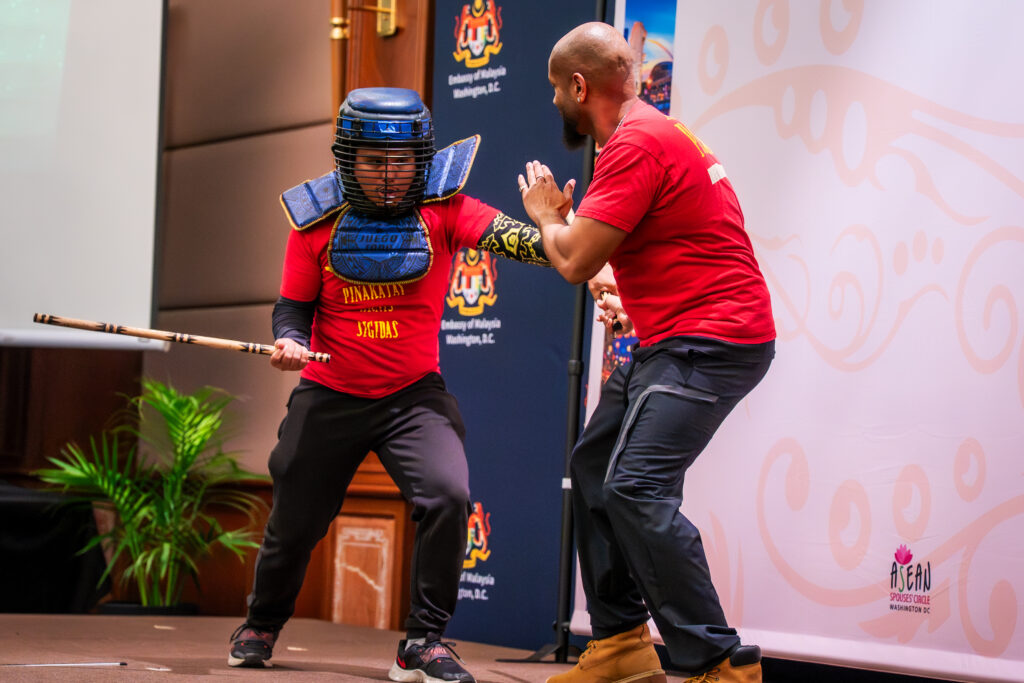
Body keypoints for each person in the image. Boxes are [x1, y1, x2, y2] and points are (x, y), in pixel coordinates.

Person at [227, 87, 549, 682]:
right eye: (375, 161)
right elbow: (292, 308)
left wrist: (555, 230)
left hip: (412, 395)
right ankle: (261, 624)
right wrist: (292, 340)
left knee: (448, 497)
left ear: (420, 160)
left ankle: (424, 642)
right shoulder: (315, 224)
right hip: (330, 392)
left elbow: (527, 245)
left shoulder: (446, 210)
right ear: (348, 159)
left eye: (401, 162)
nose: (390, 175)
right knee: (295, 518)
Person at [517, 22, 776, 683]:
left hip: (712, 341)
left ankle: (720, 659)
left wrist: (547, 216)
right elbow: (633, 250)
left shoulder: (635, 143)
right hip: (676, 334)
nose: (553, 103)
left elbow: (573, 260)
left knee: (636, 486)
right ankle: (622, 642)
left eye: (555, 89)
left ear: (580, 86)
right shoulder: (648, 132)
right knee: (596, 465)